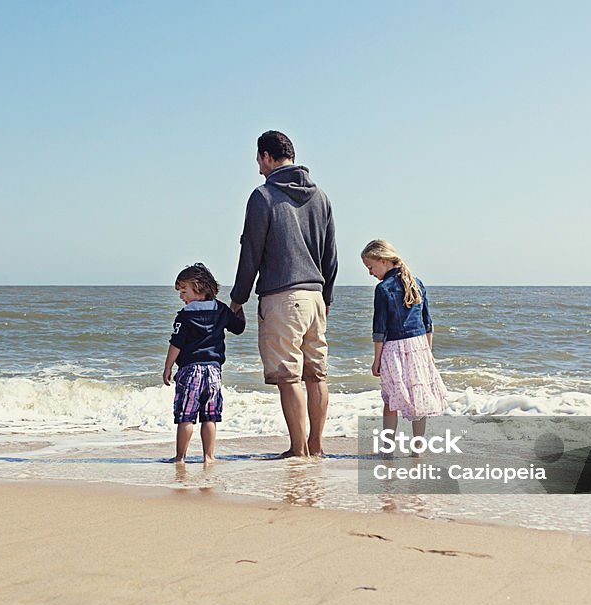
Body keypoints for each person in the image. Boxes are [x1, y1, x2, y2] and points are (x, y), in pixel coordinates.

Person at [230, 131, 338, 458]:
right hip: (316, 297)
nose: (258, 167)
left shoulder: (263, 197)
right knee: (316, 374)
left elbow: (251, 252)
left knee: (289, 377)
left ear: (266, 156)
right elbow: (331, 255)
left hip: (281, 296)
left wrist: (238, 300)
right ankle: (316, 446)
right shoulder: (321, 197)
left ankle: (298, 449)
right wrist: (327, 299)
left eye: (258, 159)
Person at [360, 239, 447, 440]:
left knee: (391, 401)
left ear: (383, 260)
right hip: (419, 347)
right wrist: (429, 353)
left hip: (394, 349)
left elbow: (379, 329)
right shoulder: (418, 283)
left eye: (371, 267)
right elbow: (428, 323)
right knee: (419, 400)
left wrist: (376, 360)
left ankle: (388, 446)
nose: (370, 273)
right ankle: (418, 447)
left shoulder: (383, 289)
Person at [163, 263, 245, 463]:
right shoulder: (221, 310)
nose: (181, 296)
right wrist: (238, 306)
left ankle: (180, 457)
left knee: (186, 416)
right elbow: (239, 327)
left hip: (190, 371)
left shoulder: (185, 316)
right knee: (210, 416)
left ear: (199, 288)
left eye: (184, 291)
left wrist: (167, 367)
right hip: (214, 372)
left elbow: (176, 344)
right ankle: (209, 457)